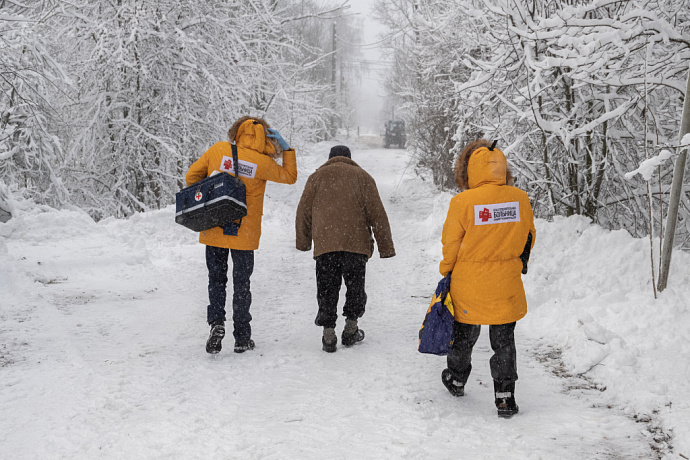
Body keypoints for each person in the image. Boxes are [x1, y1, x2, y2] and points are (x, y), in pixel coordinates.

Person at [439, 139, 535, 418]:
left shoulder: (462, 202)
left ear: (470, 170)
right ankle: (505, 396)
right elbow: (529, 236)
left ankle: (456, 379)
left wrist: (447, 270)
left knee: (464, 336)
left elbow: (451, 244)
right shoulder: (520, 198)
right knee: (504, 340)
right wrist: (518, 261)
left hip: (469, 283)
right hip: (506, 282)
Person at [185, 116, 297, 354]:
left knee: (216, 280)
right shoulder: (263, 163)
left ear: (236, 131)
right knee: (242, 284)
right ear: (265, 137)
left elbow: (191, 176)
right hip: (244, 232)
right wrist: (286, 149)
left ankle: (216, 323)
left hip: (214, 226)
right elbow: (290, 176)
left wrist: (209, 195)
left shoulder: (219, 150)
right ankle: (242, 337)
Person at [295, 145, 395, 353]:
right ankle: (351, 328)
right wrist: (386, 246)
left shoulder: (316, 178)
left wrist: (304, 242)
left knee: (327, 289)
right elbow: (377, 214)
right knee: (355, 287)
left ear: (330, 158)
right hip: (355, 245)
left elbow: (303, 212)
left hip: (326, 246)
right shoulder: (363, 177)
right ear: (349, 158)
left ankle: (328, 334)